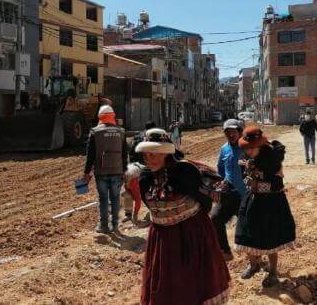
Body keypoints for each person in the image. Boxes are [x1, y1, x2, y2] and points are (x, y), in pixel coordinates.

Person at [136, 128, 230, 304]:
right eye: (146, 155)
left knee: (190, 281)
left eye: (154, 154)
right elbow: (149, 204)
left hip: (190, 233)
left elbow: (204, 202)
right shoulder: (145, 178)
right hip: (162, 237)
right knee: (165, 281)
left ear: (166, 153)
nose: (149, 159)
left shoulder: (185, 172)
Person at [235, 126, 296, 288]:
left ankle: (273, 272)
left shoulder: (273, 160)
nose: (248, 151)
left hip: (271, 202)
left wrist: (257, 185)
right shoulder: (245, 157)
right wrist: (249, 182)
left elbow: (277, 184)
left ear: (260, 145)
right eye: (246, 148)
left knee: (271, 236)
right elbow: (243, 176)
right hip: (251, 200)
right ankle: (254, 264)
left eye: (251, 148)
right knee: (246, 232)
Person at [84, 105, 128, 234]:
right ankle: (115, 225)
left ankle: (103, 226)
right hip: (117, 171)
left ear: (100, 117)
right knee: (115, 198)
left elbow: (90, 154)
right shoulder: (121, 132)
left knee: (103, 199)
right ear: (113, 116)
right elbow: (125, 154)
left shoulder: (95, 132)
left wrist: (86, 172)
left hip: (101, 172)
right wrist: (124, 170)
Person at [211, 119, 246, 261]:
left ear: (239, 132)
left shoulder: (247, 147)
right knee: (215, 219)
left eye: (233, 131)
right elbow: (220, 167)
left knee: (247, 226)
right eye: (227, 132)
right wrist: (222, 181)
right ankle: (225, 251)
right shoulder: (224, 148)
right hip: (229, 194)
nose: (230, 134)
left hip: (245, 195)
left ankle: (255, 259)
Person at [124, 121, 156, 223]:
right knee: (151, 190)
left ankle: (128, 214)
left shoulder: (137, 136)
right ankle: (153, 212)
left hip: (134, 168)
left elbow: (130, 151)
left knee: (128, 191)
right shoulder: (154, 137)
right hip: (148, 168)